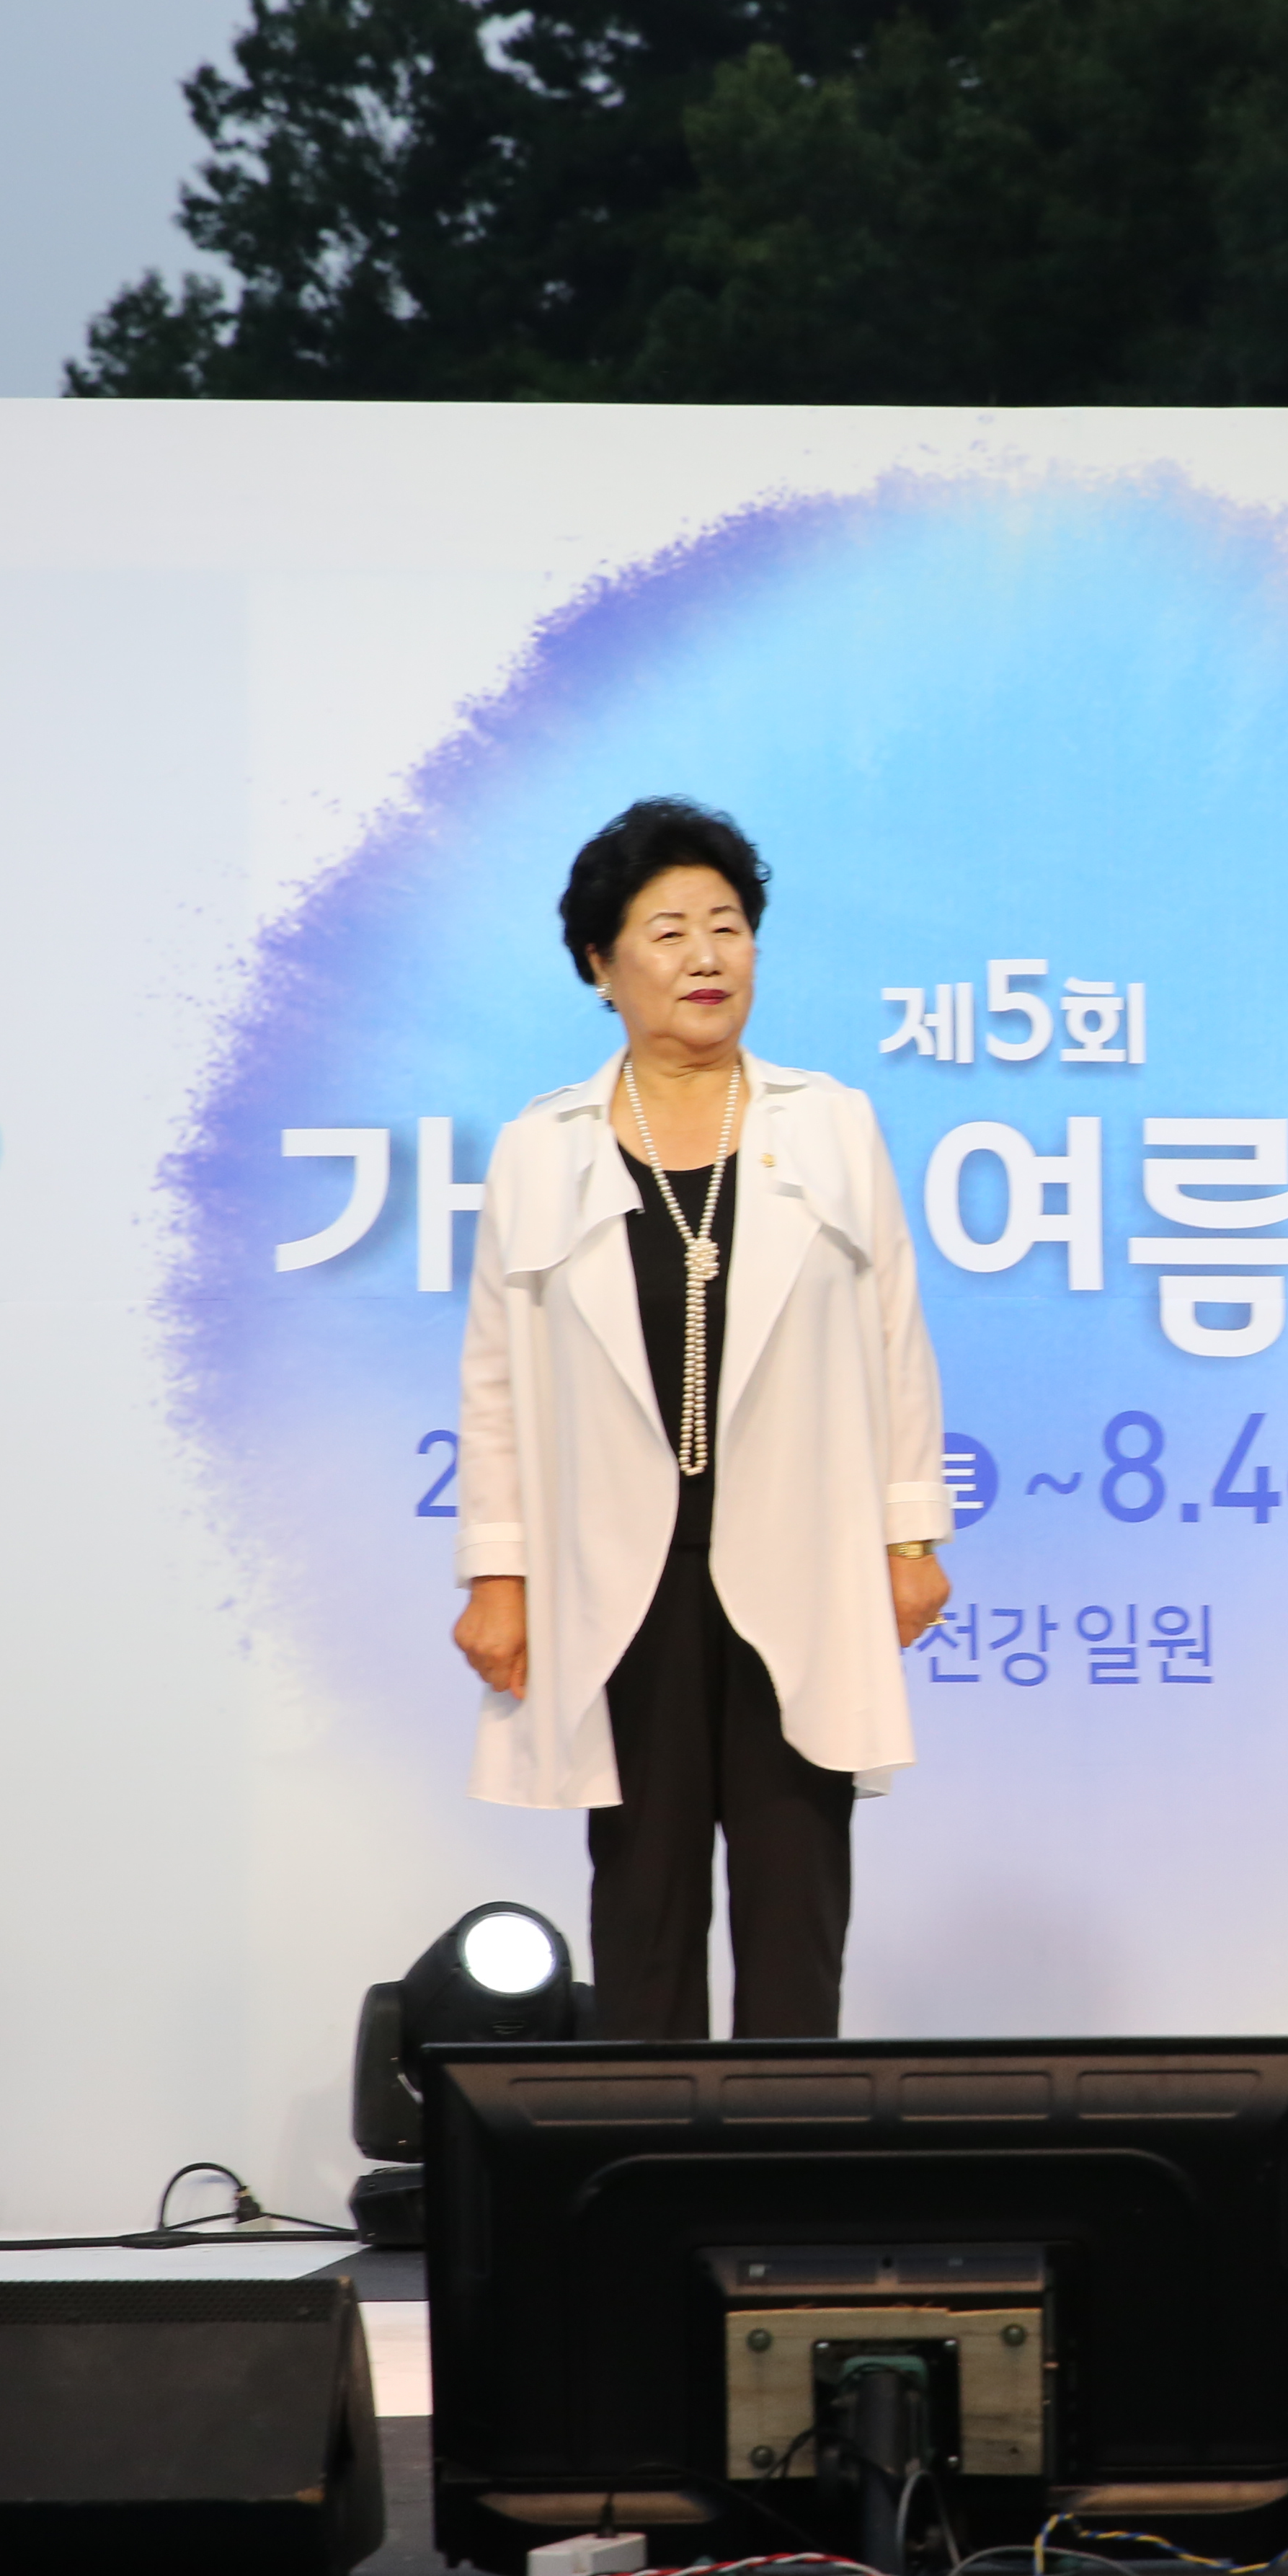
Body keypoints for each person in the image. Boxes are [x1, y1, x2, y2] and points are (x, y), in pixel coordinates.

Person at [451, 798, 954, 2038]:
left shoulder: (826, 1124)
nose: (708, 957)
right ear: (599, 964)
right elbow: (494, 1380)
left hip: (801, 1555)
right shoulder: (540, 1147)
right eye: (669, 930)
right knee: (645, 1901)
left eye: (729, 927)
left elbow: (897, 1334)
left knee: (797, 1899)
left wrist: (910, 1536)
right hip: (616, 1574)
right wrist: (497, 1573)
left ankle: (787, 2201)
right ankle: (650, 2196)